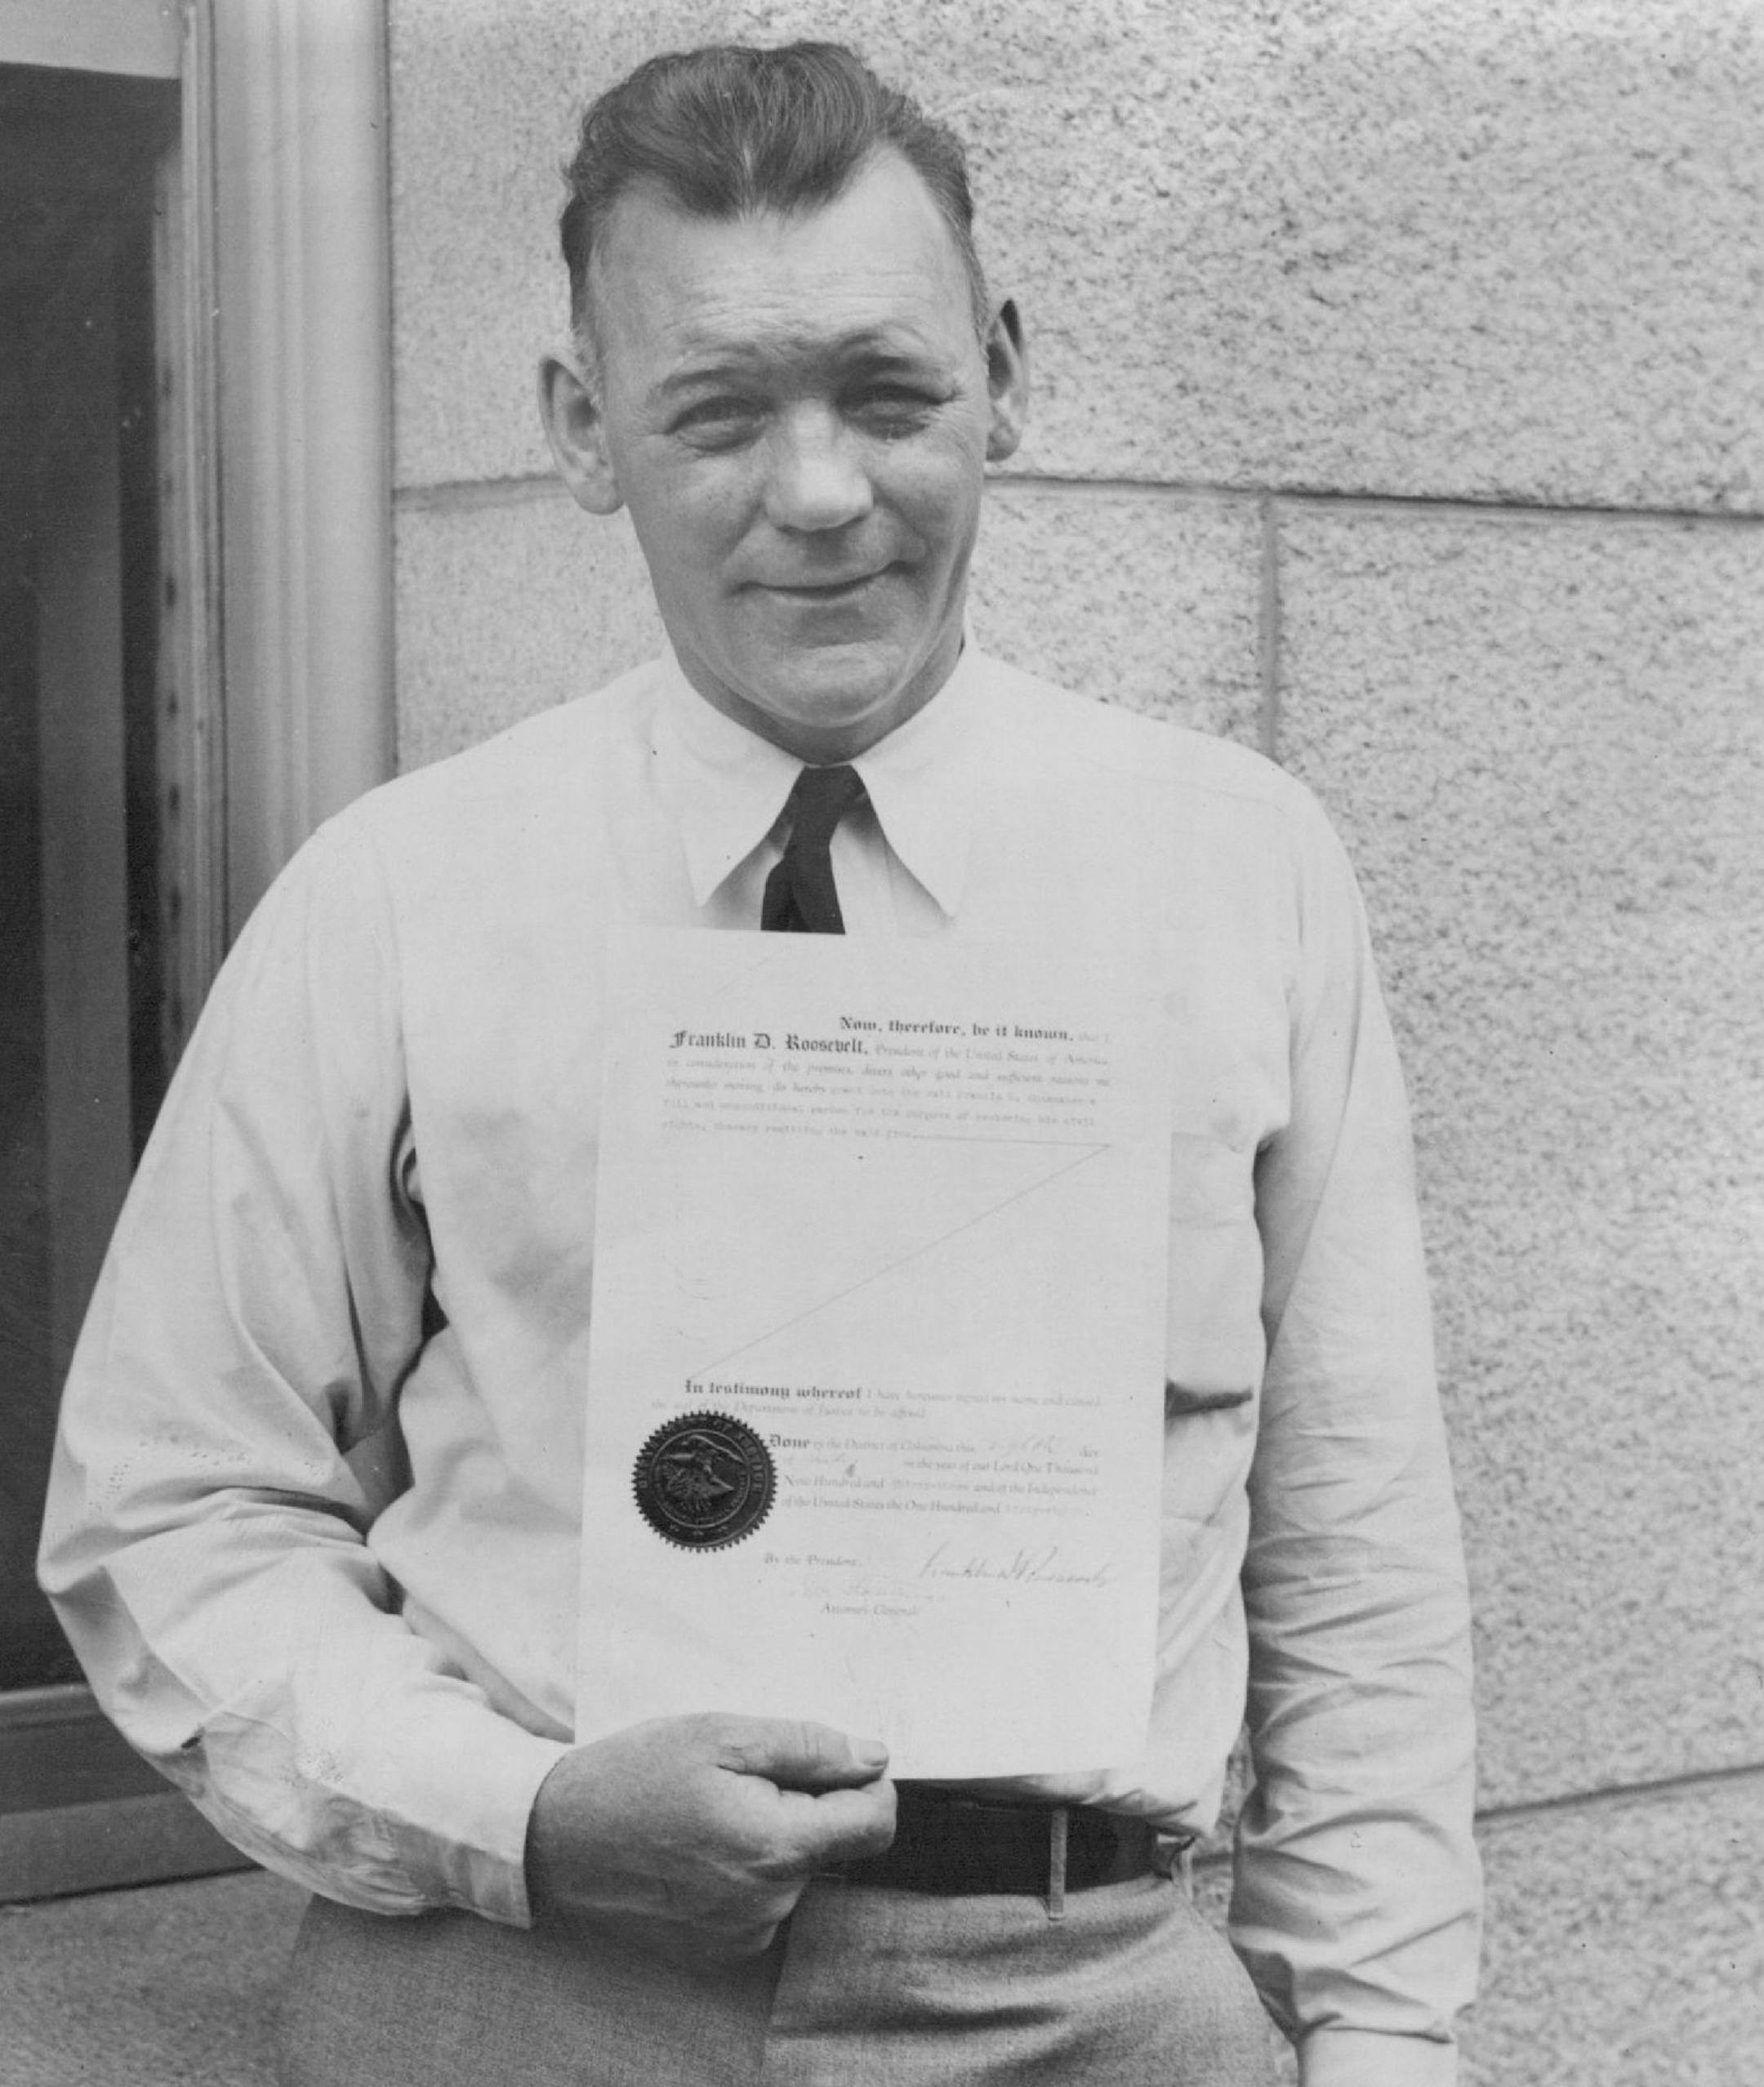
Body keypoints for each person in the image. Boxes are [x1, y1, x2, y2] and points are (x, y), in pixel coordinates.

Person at [39, 40, 1479, 2087]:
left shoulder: (1238, 868)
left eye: (888, 394)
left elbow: (1354, 1546)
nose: (817, 495)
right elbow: (171, 1505)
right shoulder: (399, 896)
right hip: (516, 2001)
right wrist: (521, 1819)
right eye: (718, 412)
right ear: (584, 428)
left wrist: (1383, 2039)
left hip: (1089, 2000)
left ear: (1003, 375)